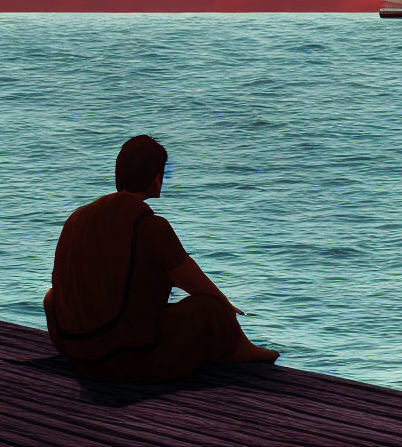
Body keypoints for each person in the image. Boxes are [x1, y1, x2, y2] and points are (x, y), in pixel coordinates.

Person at [43, 134, 278, 381]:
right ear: (156, 177)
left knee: (51, 297)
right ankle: (242, 350)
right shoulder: (150, 226)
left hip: (75, 349)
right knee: (210, 308)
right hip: (121, 357)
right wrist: (226, 308)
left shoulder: (77, 218)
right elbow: (197, 285)